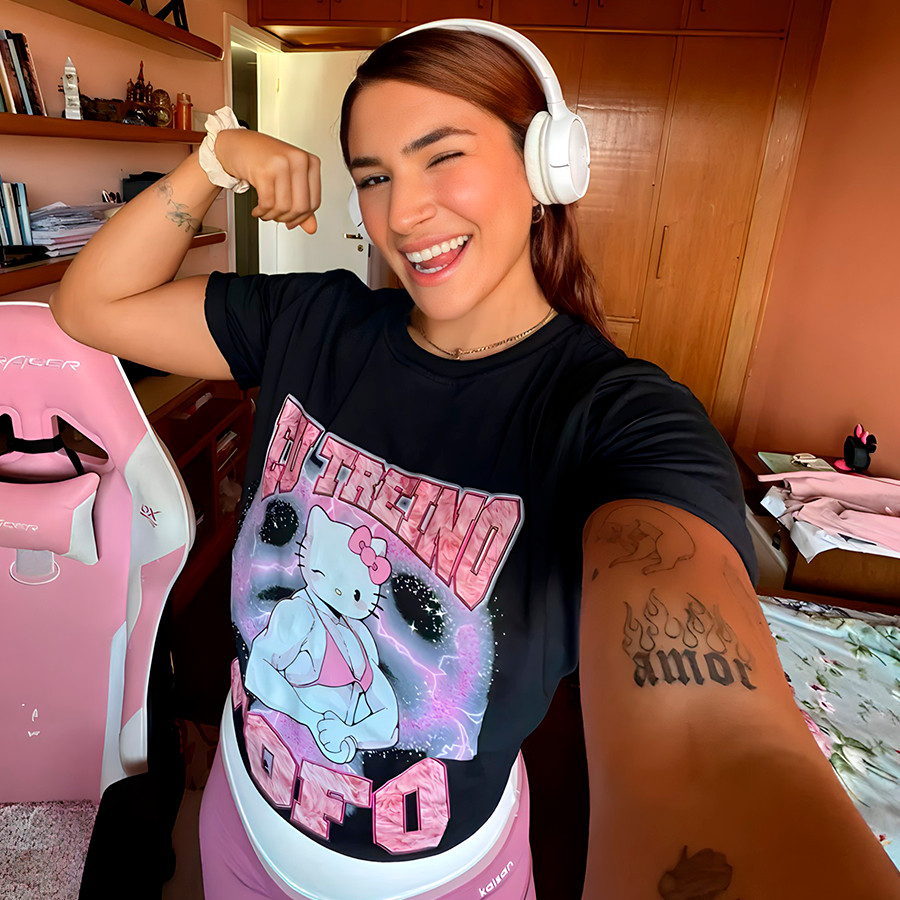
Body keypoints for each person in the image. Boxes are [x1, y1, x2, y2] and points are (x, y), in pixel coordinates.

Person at [51, 20, 899, 900]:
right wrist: (214, 157)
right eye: (374, 177)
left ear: (545, 169)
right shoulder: (313, 322)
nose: (402, 213)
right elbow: (92, 304)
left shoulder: (616, 419)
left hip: (441, 880)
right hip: (242, 825)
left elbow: (704, 734)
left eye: (442, 156)